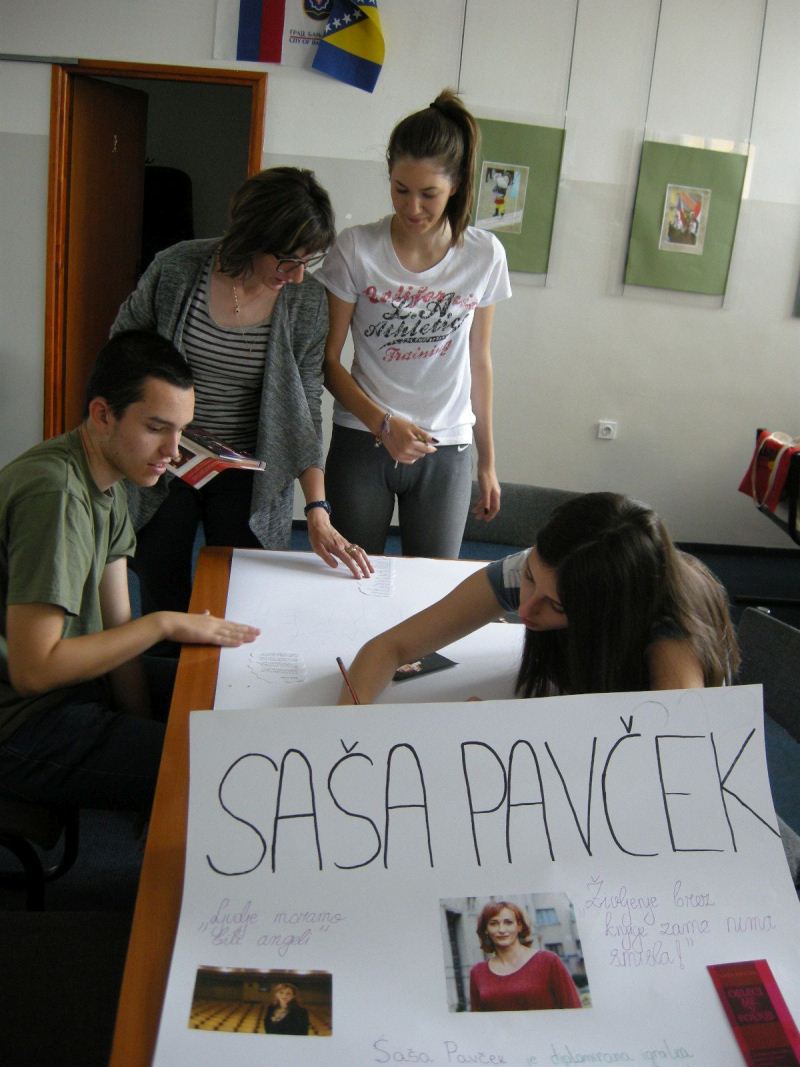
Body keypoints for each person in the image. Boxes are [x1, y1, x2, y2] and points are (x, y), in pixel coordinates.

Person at [0, 331, 259, 812]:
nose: (174, 451)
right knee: (227, 766)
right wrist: (161, 624)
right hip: (21, 722)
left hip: (76, 685)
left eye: (182, 431)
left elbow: (117, 626)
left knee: (229, 696)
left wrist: (140, 729)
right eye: (157, 428)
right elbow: (34, 671)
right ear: (103, 414)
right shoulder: (55, 495)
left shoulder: (109, 480)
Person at [112, 166, 372, 615]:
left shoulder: (306, 301)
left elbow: (305, 409)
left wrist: (317, 506)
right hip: (166, 459)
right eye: (287, 261)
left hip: (247, 467)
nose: (297, 275)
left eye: (306, 261)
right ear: (252, 235)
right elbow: (122, 349)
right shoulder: (177, 269)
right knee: (161, 584)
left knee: (242, 593)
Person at [317, 89, 512, 558]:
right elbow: (327, 361)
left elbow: (479, 362)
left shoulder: (484, 255)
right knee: (351, 578)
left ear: (457, 185)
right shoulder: (356, 248)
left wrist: (487, 461)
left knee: (432, 586)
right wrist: (382, 424)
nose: (413, 207)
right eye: (400, 189)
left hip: (446, 444)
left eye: (429, 194)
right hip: (364, 437)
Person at [337, 492, 739, 704]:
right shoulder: (539, 570)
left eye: (558, 605)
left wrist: (516, 735)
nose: (525, 609)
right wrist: (345, 725)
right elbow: (390, 647)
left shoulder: (672, 639)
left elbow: (669, 759)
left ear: (607, 614)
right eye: (530, 578)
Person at [469, 901, 582, 1011]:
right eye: (494, 924)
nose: (501, 930)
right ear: (486, 930)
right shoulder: (478, 972)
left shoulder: (548, 961)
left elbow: (573, 1009)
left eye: (508, 922)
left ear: (519, 926)